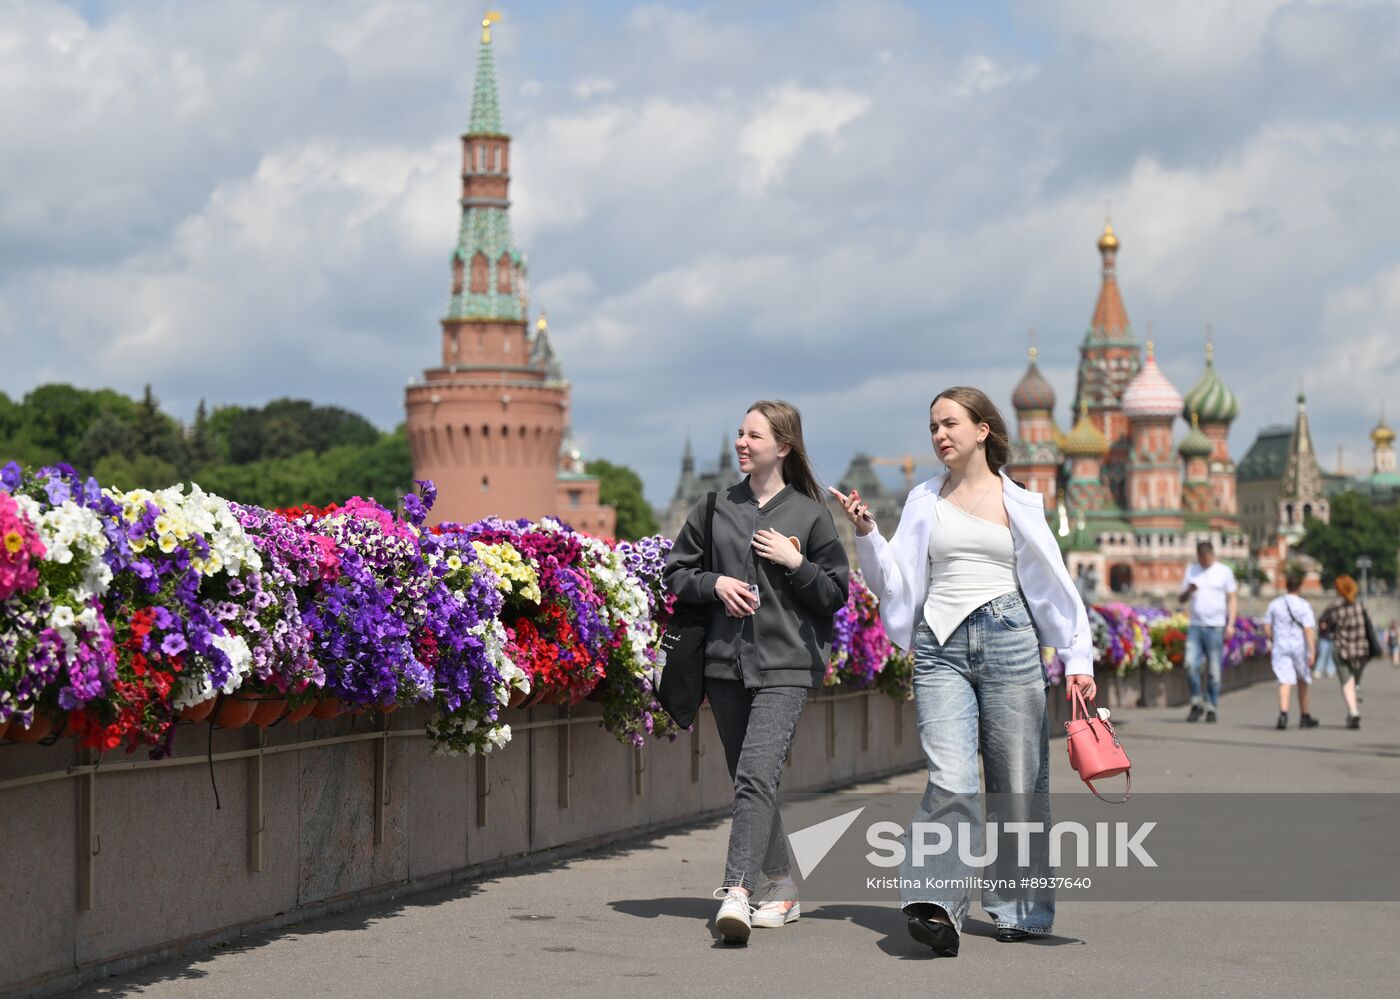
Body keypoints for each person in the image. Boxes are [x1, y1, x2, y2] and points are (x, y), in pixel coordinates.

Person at [830, 387, 1096, 956]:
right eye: (932, 427)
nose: (939, 435)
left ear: (983, 430)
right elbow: (894, 582)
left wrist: (1077, 658)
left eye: (950, 423)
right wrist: (867, 535)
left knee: (1017, 783)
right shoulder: (923, 499)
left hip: (1010, 640)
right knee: (951, 776)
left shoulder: (1020, 501)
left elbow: (1053, 587)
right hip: (939, 646)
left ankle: (1019, 909)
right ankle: (935, 904)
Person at [663, 400, 850, 945]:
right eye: (739, 434)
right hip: (724, 665)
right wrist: (715, 584)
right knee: (752, 781)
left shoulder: (811, 516)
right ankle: (784, 887)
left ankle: (737, 891)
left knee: (754, 776)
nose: (742, 443)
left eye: (754, 436)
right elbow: (677, 573)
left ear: (783, 447)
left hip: (786, 666)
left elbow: (835, 592)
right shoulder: (714, 507)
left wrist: (796, 564)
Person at [1178, 541, 1237, 723]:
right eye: (1200, 558)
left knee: (1214, 670)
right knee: (1190, 664)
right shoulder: (1192, 570)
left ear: (1212, 555)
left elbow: (1232, 598)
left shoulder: (1224, 572)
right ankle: (1196, 702)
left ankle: (1211, 705)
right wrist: (1189, 590)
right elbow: (1181, 599)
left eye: (1206, 558)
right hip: (1196, 625)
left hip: (1216, 626)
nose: (1203, 562)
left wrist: (1231, 624)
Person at [1262, 571, 1317, 729]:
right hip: (1299, 646)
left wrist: (1274, 638)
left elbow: (1266, 626)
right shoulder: (1304, 605)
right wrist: (1312, 651)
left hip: (1281, 645)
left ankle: (1283, 713)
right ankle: (1305, 715)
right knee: (1303, 680)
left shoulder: (1275, 604)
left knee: (1284, 680)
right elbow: (1308, 630)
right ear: (1300, 586)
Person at [1319, 575, 1367, 729]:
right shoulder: (1360, 605)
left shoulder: (1334, 606)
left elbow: (1323, 624)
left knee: (1346, 680)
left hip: (1342, 647)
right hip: (1361, 649)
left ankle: (1353, 711)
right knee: (1354, 678)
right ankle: (1356, 692)